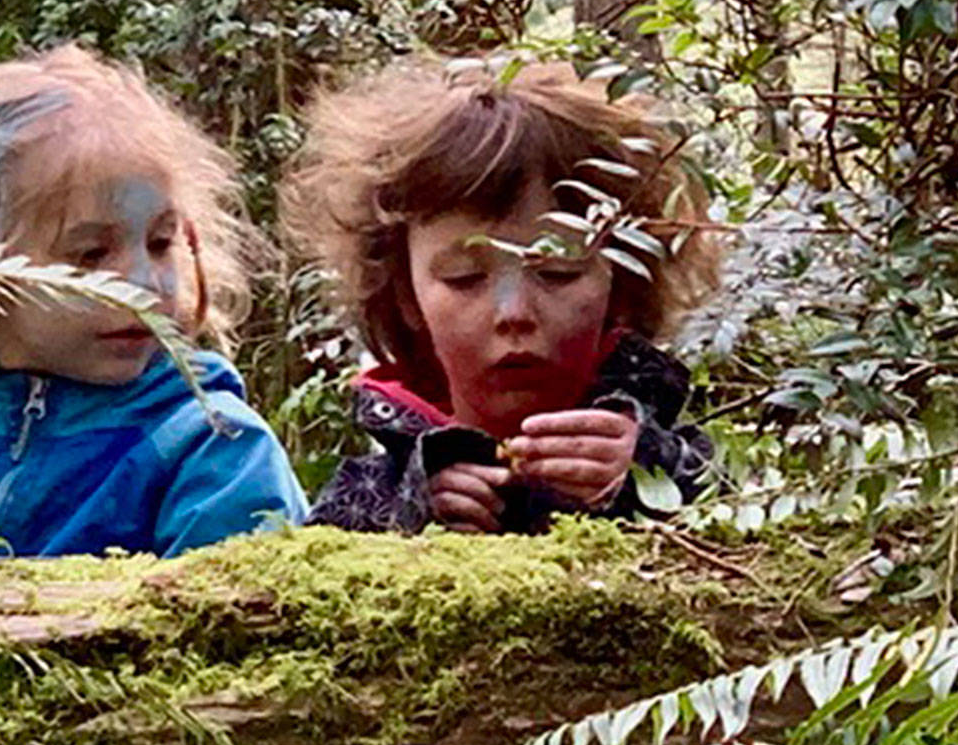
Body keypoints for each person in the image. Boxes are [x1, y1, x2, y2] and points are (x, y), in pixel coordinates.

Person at [0, 44, 307, 561]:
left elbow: (230, 628)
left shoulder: (211, 448)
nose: (144, 284)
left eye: (160, 242)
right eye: (90, 254)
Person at [280, 59, 720, 534]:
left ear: (623, 280)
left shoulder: (694, 465)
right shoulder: (367, 494)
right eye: (465, 278)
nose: (514, 313)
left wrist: (649, 471)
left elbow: (751, 545)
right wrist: (410, 509)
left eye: (557, 272)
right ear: (405, 295)